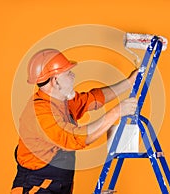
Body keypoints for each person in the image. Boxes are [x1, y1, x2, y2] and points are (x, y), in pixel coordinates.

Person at [11, 48, 138, 194]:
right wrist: (117, 112)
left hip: (54, 185)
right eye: (68, 73)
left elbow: (92, 99)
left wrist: (129, 83)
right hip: (35, 187)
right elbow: (75, 138)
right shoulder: (40, 113)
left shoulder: (59, 100)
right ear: (55, 80)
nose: (73, 75)